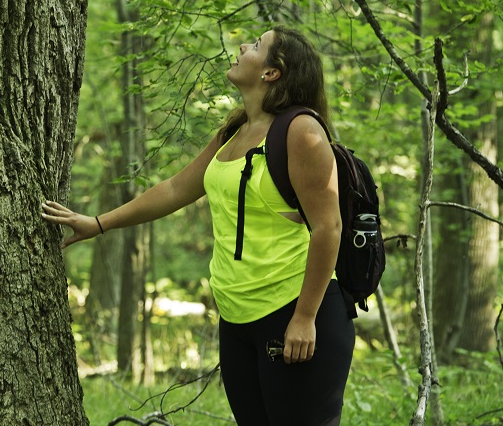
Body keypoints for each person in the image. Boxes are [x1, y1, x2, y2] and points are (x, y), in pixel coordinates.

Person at [41, 26, 355, 425]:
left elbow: (328, 228)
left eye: (257, 45)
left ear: (272, 72)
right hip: (237, 319)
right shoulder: (235, 131)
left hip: (294, 312)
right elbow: (175, 189)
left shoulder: (302, 132)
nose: (243, 46)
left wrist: (306, 317)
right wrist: (99, 223)